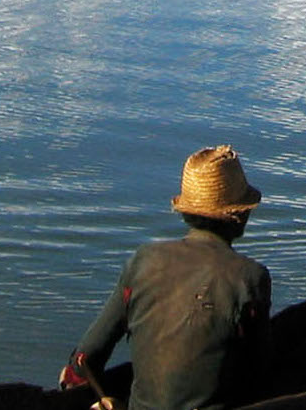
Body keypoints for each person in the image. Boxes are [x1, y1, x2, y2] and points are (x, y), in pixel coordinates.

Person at [59, 145, 272, 410]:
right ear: (241, 214)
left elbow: (84, 359)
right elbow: (259, 375)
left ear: (186, 212)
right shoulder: (250, 278)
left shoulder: (143, 261)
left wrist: (82, 386)